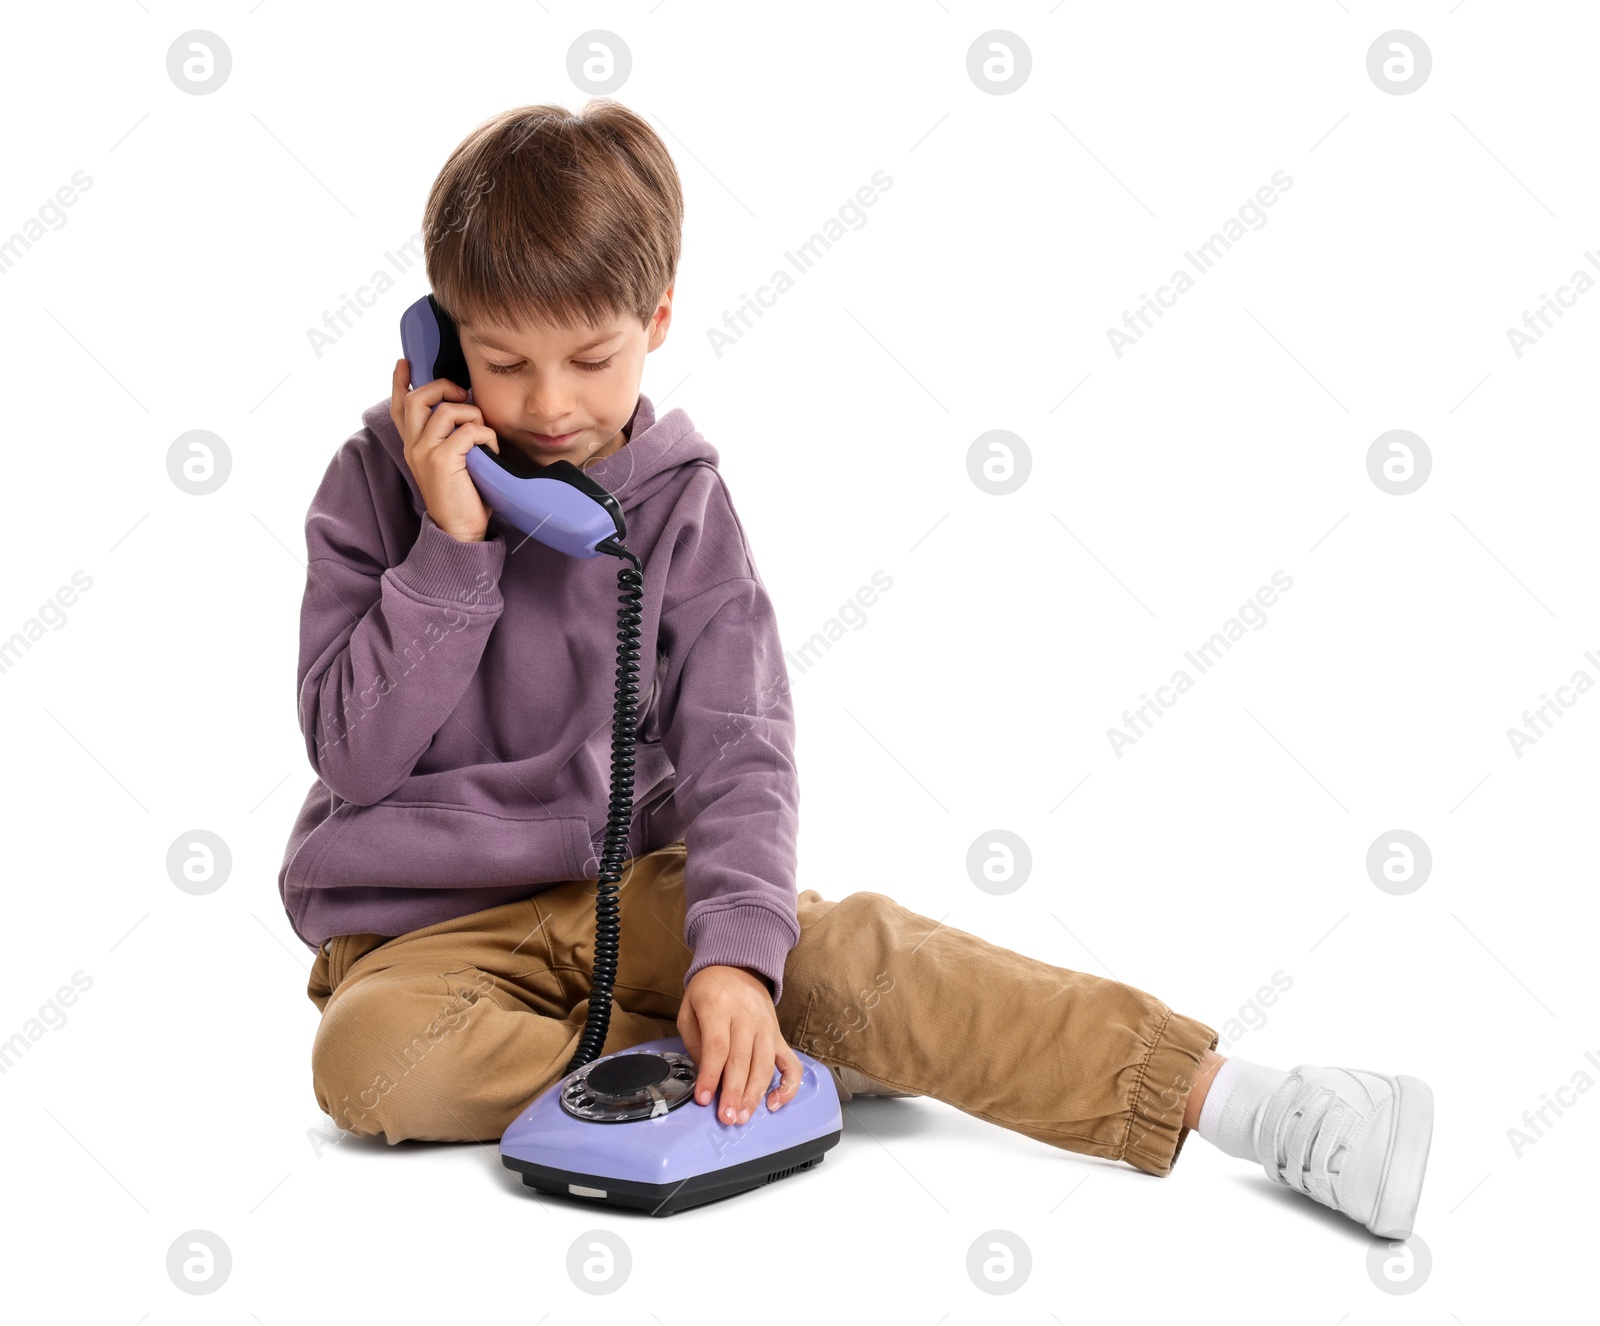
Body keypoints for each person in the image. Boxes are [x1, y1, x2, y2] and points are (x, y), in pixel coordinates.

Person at [279, 99, 1434, 1238]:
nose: (547, 406)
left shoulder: (681, 510)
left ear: (660, 319)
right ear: (435, 339)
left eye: (592, 358)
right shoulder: (373, 486)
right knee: (368, 1066)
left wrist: (733, 958)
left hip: (632, 896)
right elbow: (355, 756)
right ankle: (786, 1057)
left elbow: (741, 751)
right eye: (500, 361)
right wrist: (451, 546)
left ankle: (1247, 1103)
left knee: (843, 952)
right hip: (421, 944)